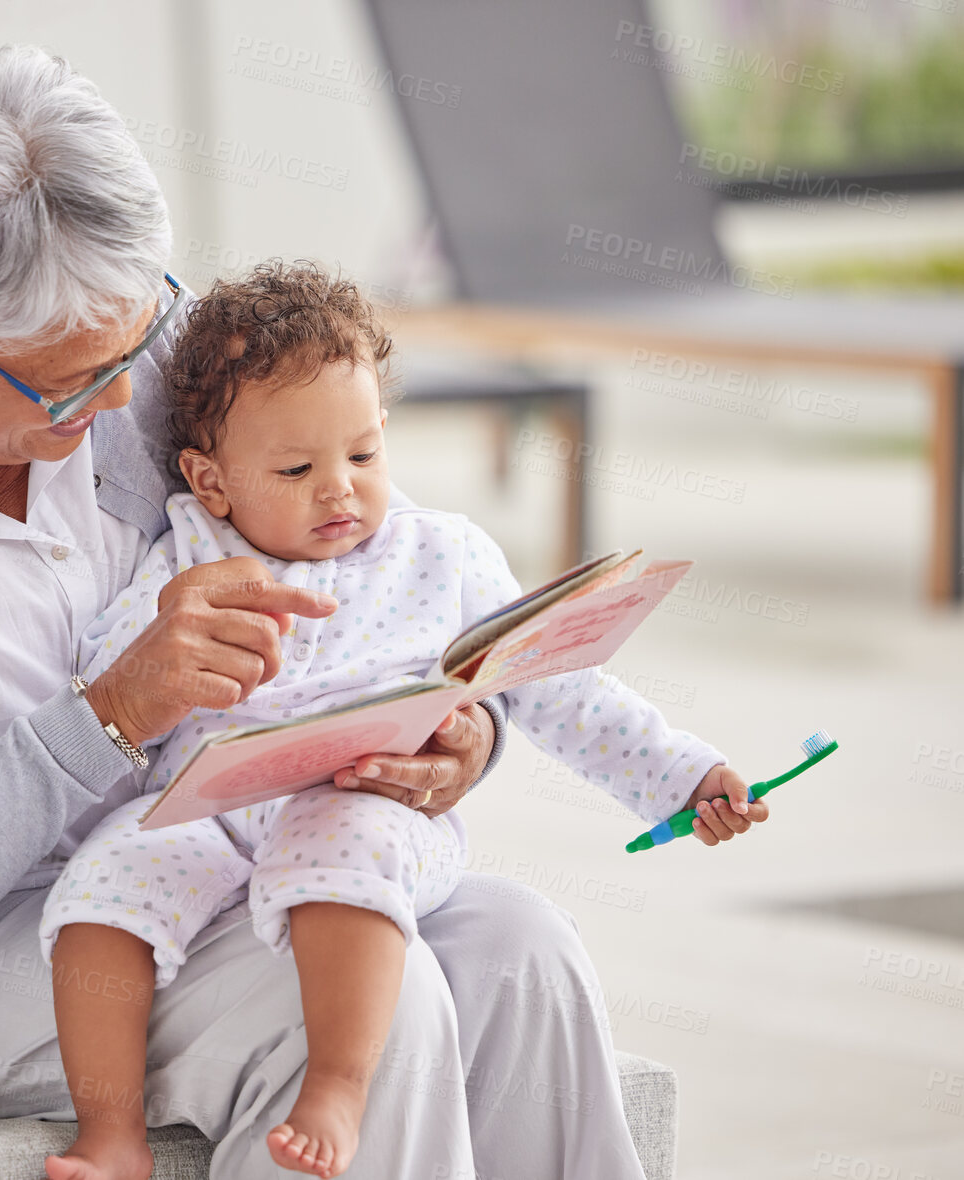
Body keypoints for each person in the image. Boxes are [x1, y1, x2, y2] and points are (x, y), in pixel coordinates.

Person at [0, 43, 764, 1179]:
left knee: (518, 953)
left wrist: (454, 738)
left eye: (137, 344)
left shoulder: (105, 334)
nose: (121, 406)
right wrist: (110, 711)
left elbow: (366, 562)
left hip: (182, 860)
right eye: (72, 385)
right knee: (338, 1012)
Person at [37, 261, 762, 1179]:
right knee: (103, 888)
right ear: (210, 480)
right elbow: (111, 676)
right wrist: (147, 680)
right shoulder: (188, 553)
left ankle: (340, 1085)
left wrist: (685, 777)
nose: (340, 490)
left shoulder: (438, 555)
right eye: (297, 469)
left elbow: (563, 688)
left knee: (339, 850)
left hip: (360, 800)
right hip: (212, 820)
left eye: (365, 455)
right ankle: (111, 1136)